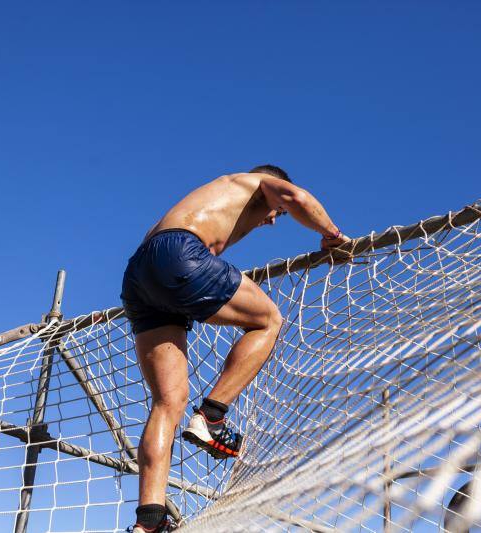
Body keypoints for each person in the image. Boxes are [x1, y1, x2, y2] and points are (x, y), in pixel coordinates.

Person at [121, 165, 350, 532]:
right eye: (277, 214)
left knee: (167, 403)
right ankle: (212, 416)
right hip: (179, 253)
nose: (274, 220)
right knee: (268, 320)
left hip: (139, 275)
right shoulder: (254, 182)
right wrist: (333, 237)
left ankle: (148, 521)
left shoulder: (213, 195)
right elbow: (298, 197)